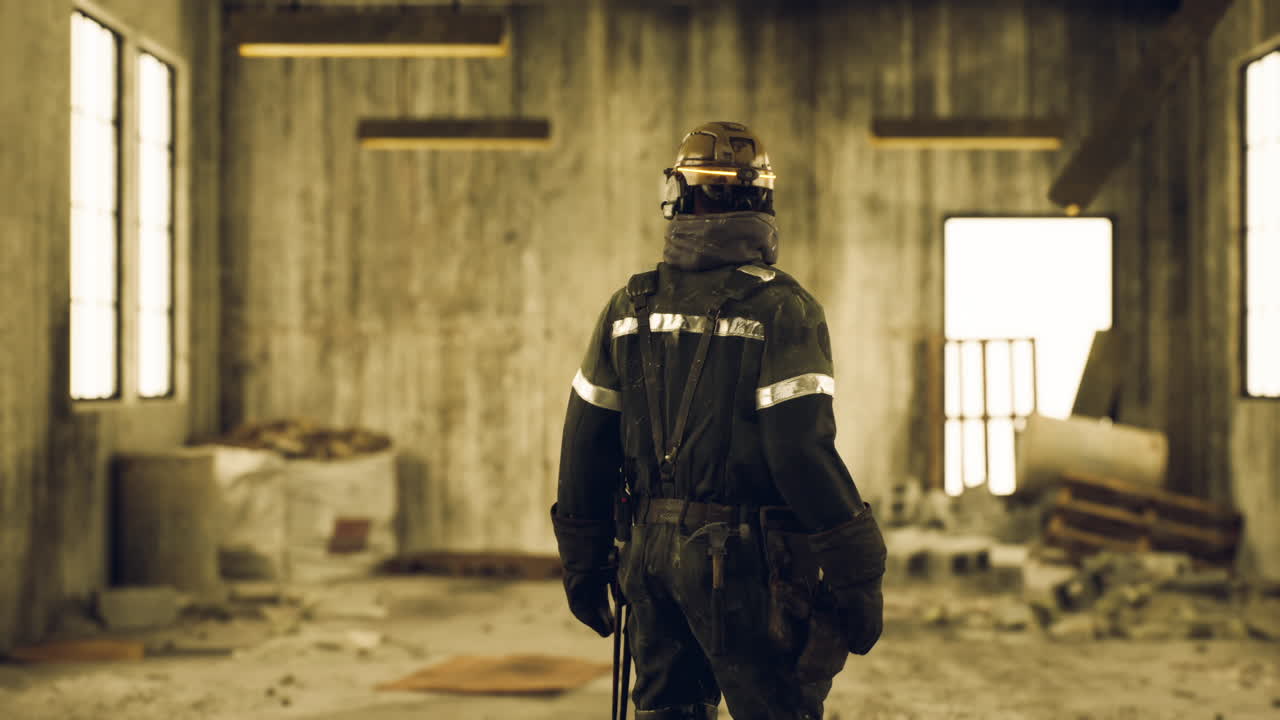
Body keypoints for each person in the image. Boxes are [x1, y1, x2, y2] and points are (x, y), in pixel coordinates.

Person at [551, 121, 887, 720]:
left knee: (669, 711)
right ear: (762, 199)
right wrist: (857, 572)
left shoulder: (628, 308)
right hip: (743, 565)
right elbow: (802, 454)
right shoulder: (783, 308)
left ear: (680, 194)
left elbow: (585, 441)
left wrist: (583, 559)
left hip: (647, 559)